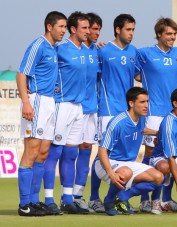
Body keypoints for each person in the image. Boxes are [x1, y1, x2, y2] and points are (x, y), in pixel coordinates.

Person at [16, 11, 67, 217]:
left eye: (65, 27)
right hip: (36, 101)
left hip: (49, 102)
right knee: (32, 150)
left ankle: (35, 201)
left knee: (43, 153)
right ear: (49, 26)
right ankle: (24, 204)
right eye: (61, 27)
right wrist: (26, 102)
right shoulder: (37, 45)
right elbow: (22, 74)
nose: (63, 30)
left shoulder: (54, 49)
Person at [89, 13, 141, 213]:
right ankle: (94, 197)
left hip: (128, 111)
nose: (131, 33)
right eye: (128, 29)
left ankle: (119, 197)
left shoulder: (133, 51)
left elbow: (138, 74)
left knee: (125, 156)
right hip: (108, 109)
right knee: (103, 152)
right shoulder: (102, 50)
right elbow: (91, 75)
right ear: (118, 30)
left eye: (133, 30)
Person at [138, 17, 177, 214]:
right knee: (150, 155)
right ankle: (145, 200)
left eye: (174, 34)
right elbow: (130, 69)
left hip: (173, 115)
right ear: (159, 34)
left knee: (170, 157)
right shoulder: (145, 54)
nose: (172, 37)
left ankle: (164, 200)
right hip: (153, 114)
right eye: (168, 34)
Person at [43, 11, 90, 214]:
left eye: (89, 28)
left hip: (79, 107)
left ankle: (68, 199)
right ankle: (48, 200)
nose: (88, 32)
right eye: (84, 28)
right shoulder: (60, 49)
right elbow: (42, 67)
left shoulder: (87, 51)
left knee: (72, 153)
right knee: (55, 152)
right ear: (73, 29)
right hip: (62, 105)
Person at [95, 87, 163, 216]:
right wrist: (110, 173)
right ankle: (109, 201)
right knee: (126, 172)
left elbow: (144, 130)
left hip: (128, 164)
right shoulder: (118, 122)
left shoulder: (141, 118)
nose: (146, 105)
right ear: (131, 103)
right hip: (107, 163)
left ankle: (123, 197)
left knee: (158, 177)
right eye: (142, 102)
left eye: (147, 101)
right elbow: (102, 150)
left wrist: (159, 134)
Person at [70, 12, 103, 213]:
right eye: (93, 28)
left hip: (92, 109)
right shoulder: (70, 50)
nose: (96, 33)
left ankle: (78, 195)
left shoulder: (98, 52)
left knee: (85, 150)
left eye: (99, 29)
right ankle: (63, 196)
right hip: (72, 108)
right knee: (68, 151)